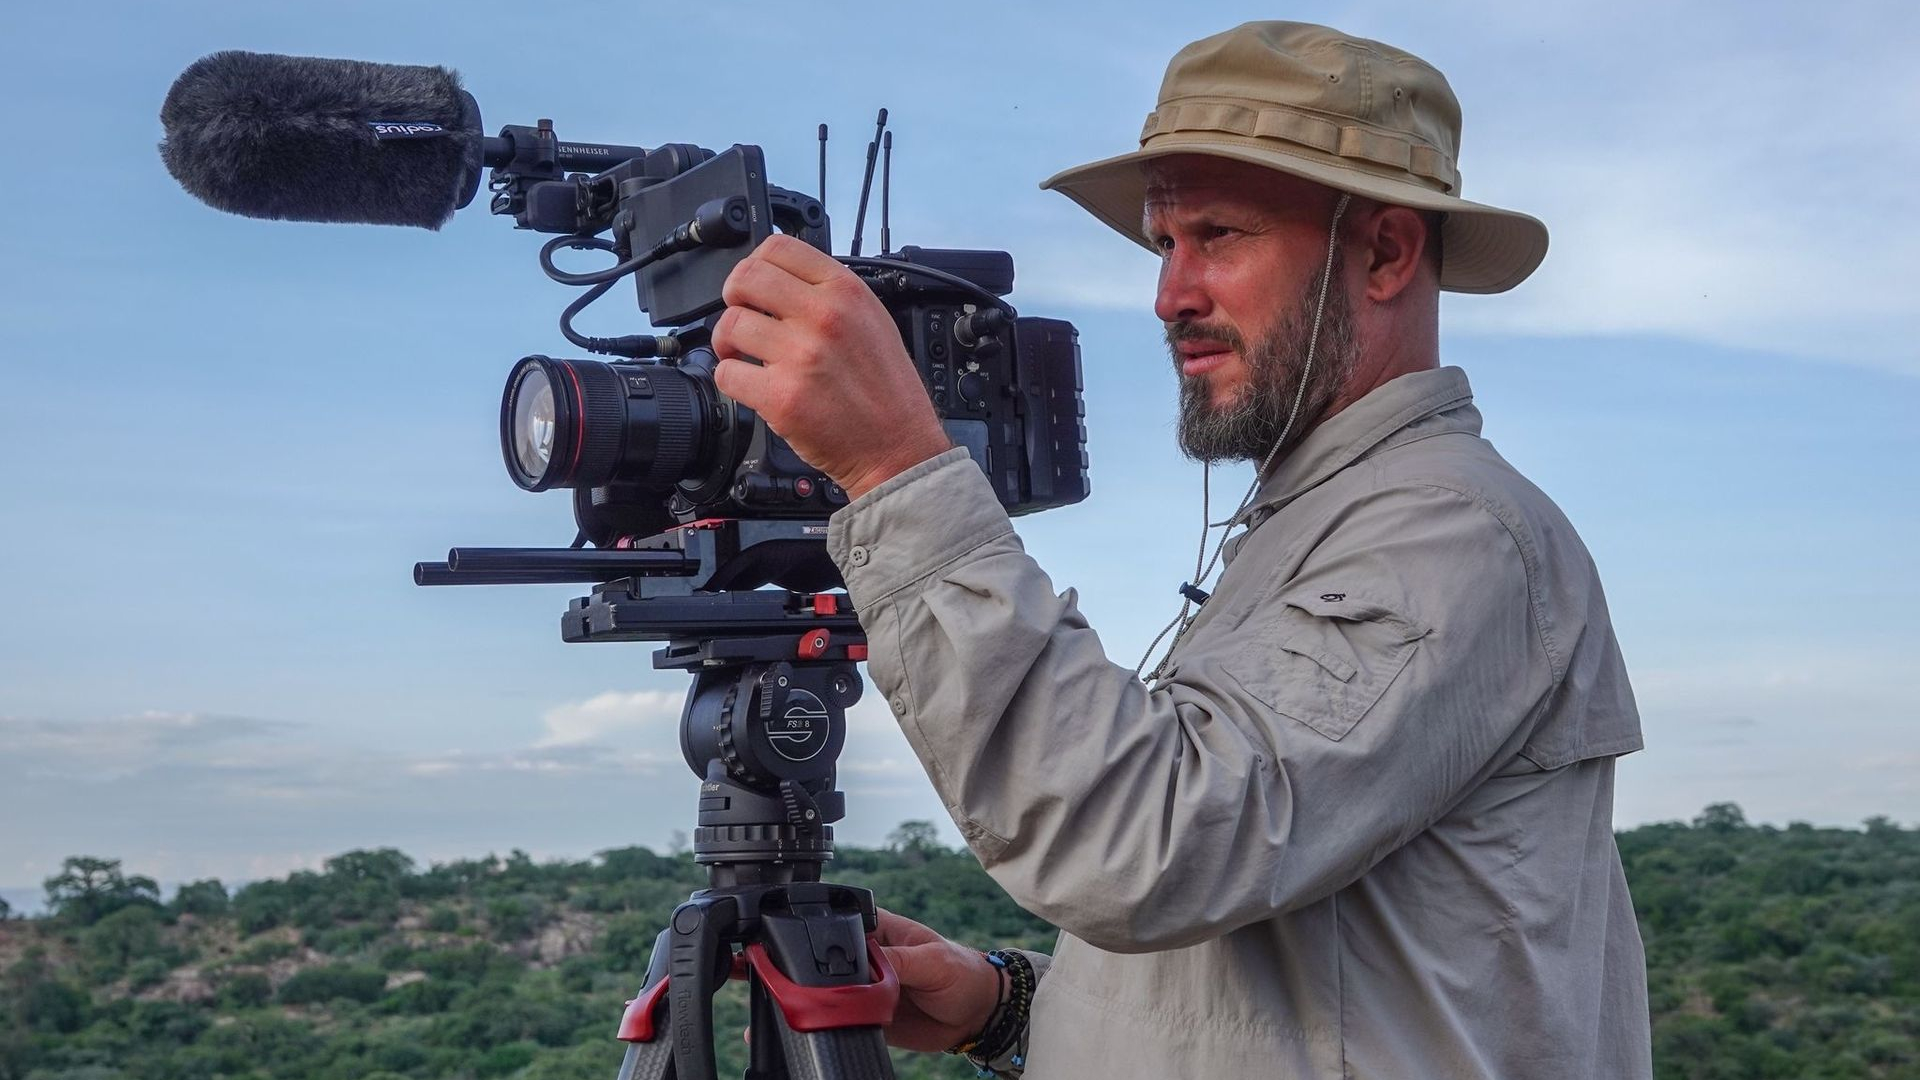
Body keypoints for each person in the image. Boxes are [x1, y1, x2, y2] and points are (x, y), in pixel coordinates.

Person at [710, 20, 1652, 1080]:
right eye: (1166, 244)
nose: (1170, 297)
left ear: (1385, 251)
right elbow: (1316, 966)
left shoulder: (1455, 532)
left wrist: (896, 473)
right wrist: (1009, 1005)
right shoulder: (1326, 521)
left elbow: (1149, 848)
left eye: (1221, 235)